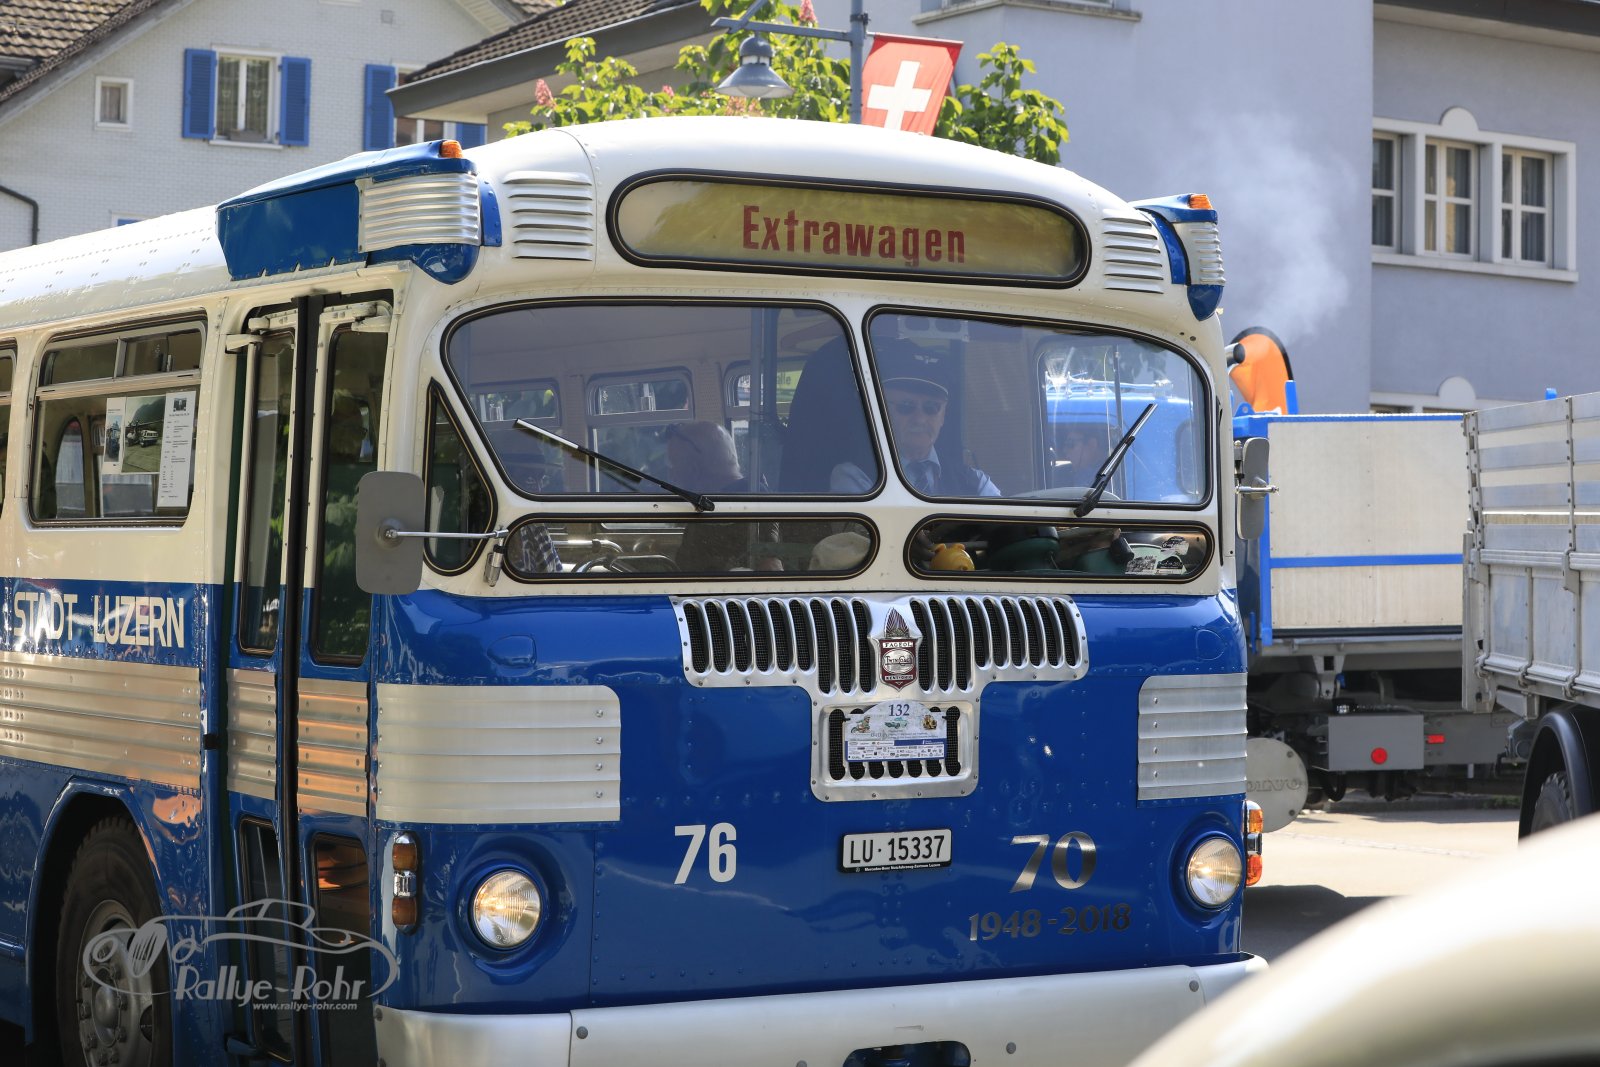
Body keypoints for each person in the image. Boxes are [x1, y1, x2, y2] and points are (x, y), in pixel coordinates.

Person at [830, 347, 1000, 497]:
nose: (920, 419)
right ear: (882, 412)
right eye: (906, 406)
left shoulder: (976, 483)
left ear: (943, 416)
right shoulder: (856, 476)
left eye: (931, 408)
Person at [663, 421, 782, 572]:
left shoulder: (750, 507)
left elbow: (769, 567)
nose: (672, 475)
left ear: (694, 467)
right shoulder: (712, 503)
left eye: (674, 465)